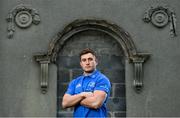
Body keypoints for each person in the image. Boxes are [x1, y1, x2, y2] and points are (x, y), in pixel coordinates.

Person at [62, 48, 111, 117]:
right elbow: (65, 103)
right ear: (81, 64)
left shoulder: (102, 79)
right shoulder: (75, 82)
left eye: (90, 59)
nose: (87, 63)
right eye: (84, 60)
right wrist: (83, 94)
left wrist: (75, 100)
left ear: (96, 62)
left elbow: (95, 103)